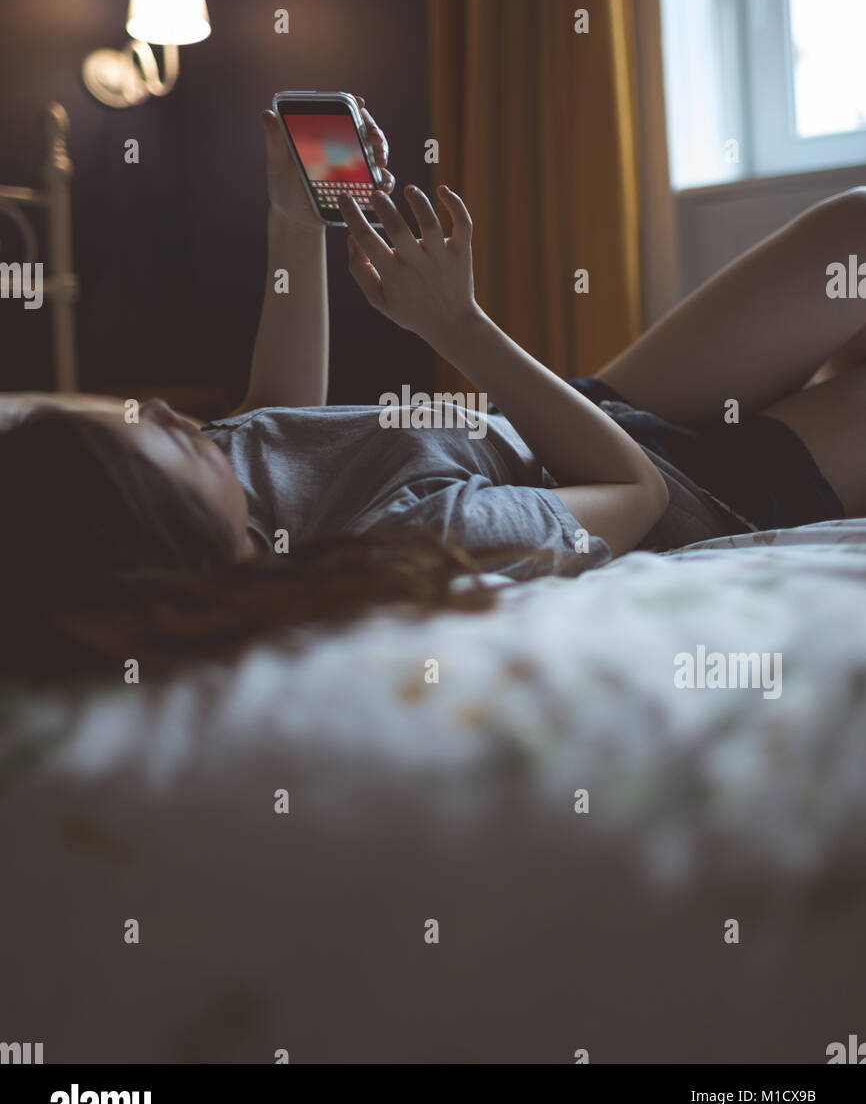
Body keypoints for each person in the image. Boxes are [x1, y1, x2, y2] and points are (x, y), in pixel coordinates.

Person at [2, 100, 864, 678]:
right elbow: (632, 492)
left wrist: (295, 219)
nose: (153, 410)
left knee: (849, 234)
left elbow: (276, 417)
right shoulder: (404, 544)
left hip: (583, 408)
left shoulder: (229, 475)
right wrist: (456, 326)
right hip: (690, 491)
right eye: (146, 441)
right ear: (174, 534)